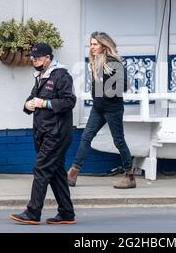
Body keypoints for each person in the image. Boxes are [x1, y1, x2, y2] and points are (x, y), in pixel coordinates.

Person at [10, 43, 77, 225]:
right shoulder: (40, 76)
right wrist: (28, 105)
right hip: (43, 132)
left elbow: (69, 101)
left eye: (37, 58)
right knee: (55, 172)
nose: (34, 61)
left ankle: (33, 212)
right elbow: (33, 97)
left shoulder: (61, 75)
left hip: (57, 133)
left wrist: (43, 104)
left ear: (48, 57)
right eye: (32, 58)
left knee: (41, 169)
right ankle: (66, 213)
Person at [67, 31, 136, 189]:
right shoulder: (97, 61)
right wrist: (97, 95)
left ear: (104, 46)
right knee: (86, 137)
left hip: (113, 109)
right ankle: (73, 174)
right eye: (91, 44)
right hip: (98, 108)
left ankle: (130, 176)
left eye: (95, 44)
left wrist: (105, 92)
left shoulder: (113, 62)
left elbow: (124, 85)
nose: (92, 47)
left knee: (119, 141)